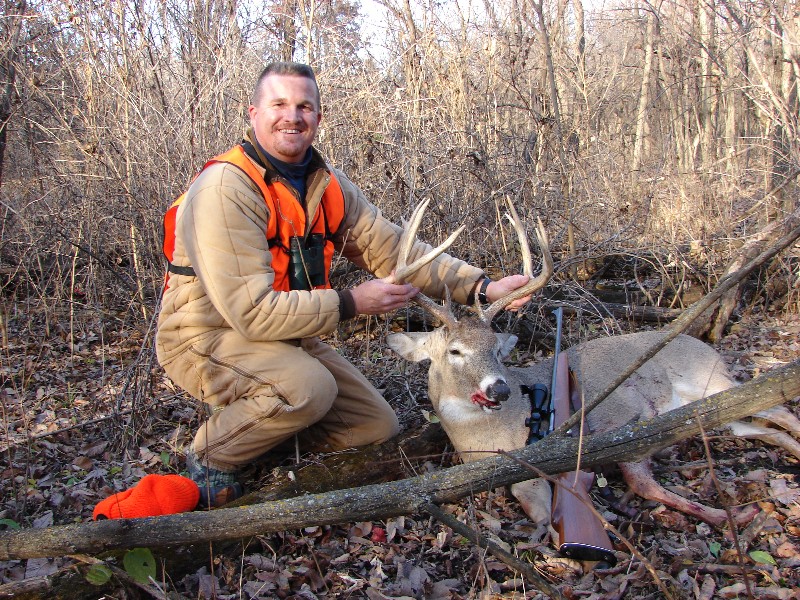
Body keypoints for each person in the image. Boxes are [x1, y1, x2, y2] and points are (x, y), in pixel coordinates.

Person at [156, 62, 534, 508]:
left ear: (319, 117)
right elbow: (251, 312)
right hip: (204, 337)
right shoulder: (225, 188)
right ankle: (212, 454)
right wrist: (352, 302)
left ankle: (265, 433)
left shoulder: (324, 183)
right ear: (253, 113)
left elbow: (393, 249)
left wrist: (483, 287)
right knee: (308, 388)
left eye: (304, 106)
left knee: (373, 427)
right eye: (279, 104)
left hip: (285, 335)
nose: (292, 116)